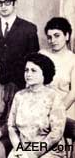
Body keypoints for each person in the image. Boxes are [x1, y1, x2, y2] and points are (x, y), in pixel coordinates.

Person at [8, 53, 66, 158]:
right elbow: (11, 127)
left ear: (45, 73)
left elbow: (56, 133)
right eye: (26, 70)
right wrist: (19, 149)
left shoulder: (54, 97)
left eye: (33, 70)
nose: (28, 74)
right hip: (23, 150)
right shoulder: (19, 96)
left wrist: (33, 154)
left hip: (49, 151)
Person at [40, 17, 75, 156]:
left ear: (66, 35)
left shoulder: (73, 60)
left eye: (57, 35)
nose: (52, 40)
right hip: (42, 107)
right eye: (49, 37)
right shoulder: (42, 55)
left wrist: (55, 112)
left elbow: (73, 93)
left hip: (65, 108)